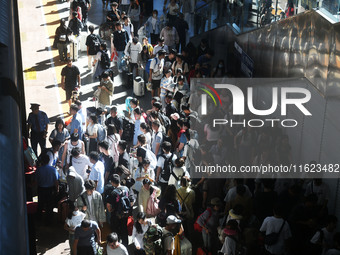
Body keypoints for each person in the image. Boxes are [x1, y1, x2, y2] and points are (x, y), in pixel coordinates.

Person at [106, 174, 130, 246]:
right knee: (124, 230)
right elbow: (130, 201)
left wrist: (110, 210)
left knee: (115, 232)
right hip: (125, 215)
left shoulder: (113, 193)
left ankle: (116, 246)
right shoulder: (126, 189)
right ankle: (125, 246)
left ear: (112, 182)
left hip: (116, 216)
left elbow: (109, 206)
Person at [36, 153, 59, 222]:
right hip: (50, 190)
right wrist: (57, 189)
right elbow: (56, 181)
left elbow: (36, 180)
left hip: (41, 189)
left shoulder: (38, 170)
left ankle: (39, 219)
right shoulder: (53, 169)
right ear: (49, 160)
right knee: (49, 205)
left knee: (40, 204)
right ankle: (48, 220)